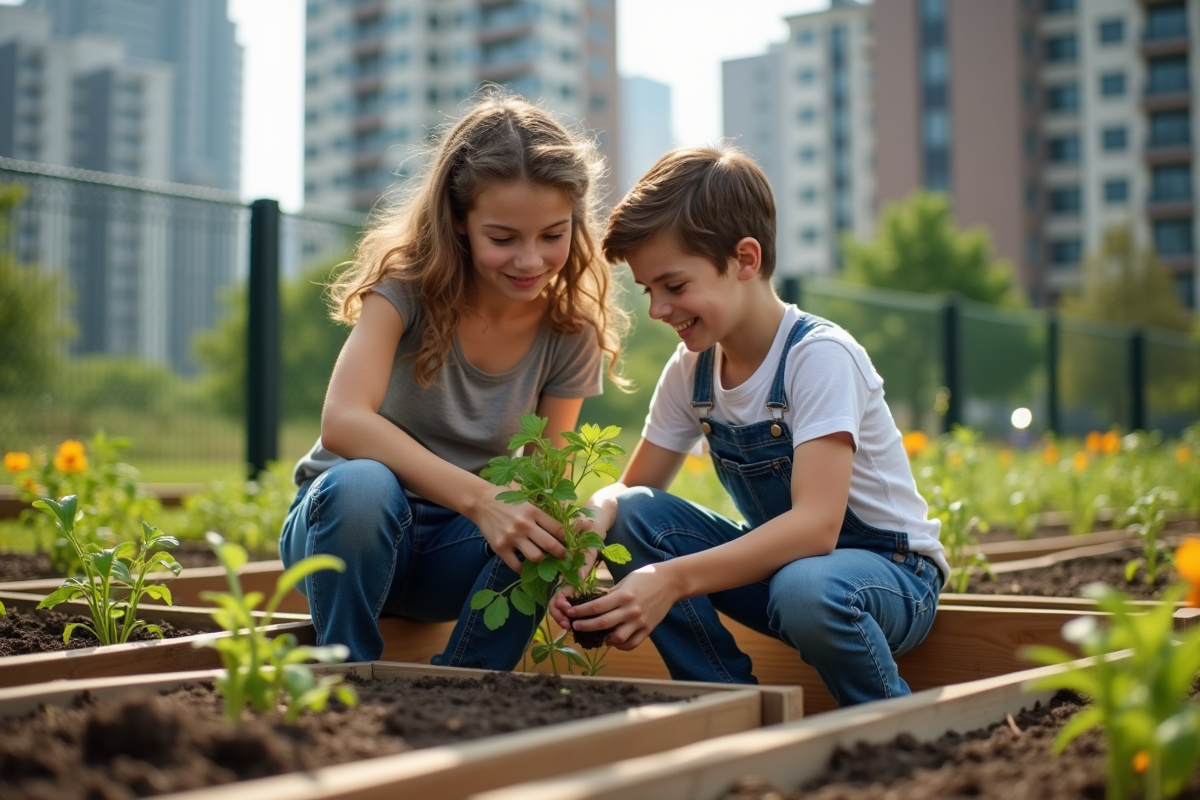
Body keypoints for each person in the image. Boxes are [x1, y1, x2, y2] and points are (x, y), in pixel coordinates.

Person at [550, 146, 948, 707]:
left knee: (807, 586)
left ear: (745, 259)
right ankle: (730, 704)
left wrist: (670, 580)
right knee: (636, 515)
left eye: (675, 285)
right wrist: (594, 522)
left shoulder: (820, 357)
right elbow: (634, 491)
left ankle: (885, 719)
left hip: (890, 579)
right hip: (789, 579)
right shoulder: (693, 370)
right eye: (648, 291)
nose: (658, 309)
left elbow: (815, 529)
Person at [280, 91, 624, 667]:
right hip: (346, 540)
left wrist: (571, 555)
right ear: (459, 222)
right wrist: (482, 500)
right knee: (365, 485)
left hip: (455, 557)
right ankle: (344, 676)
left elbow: (548, 479)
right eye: (503, 237)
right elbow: (343, 422)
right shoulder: (405, 289)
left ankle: (463, 693)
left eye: (552, 235)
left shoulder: (570, 332)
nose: (530, 260)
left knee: (541, 533)